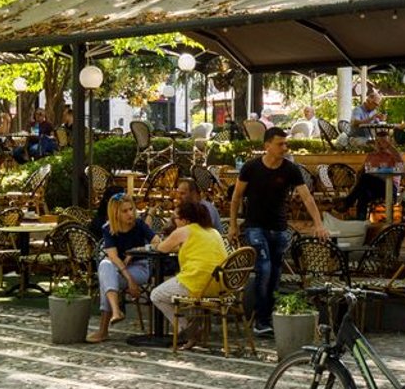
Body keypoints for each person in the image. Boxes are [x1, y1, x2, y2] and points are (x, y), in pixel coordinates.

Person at [227, 128, 327, 337]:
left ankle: (269, 316)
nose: (284, 148)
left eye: (285, 144)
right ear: (267, 146)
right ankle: (261, 320)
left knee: (275, 274)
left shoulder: (290, 169)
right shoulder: (251, 168)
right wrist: (233, 225)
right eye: (280, 144)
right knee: (264, 269)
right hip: (255, 226)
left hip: (279, 228)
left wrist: (318, 223)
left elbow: (307, 197)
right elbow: (236, 197)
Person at [148, 193, 227, 335]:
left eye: (175, 219)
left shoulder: (184, 231)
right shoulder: (213, 231)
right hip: (221, 286)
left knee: (156, 295)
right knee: (180, 287)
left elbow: (161, 248)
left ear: (185, 220)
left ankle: (185, 329)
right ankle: (193, 327)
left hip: (199, 283)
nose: (174, 222)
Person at [88, 193, 157, 343]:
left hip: (140, 267)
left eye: (131, 209)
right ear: (115, 213)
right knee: (105, 265)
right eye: (125, 211)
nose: (130, 214)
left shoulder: (139, 225)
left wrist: (137, 250)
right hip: (119, 268)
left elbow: (158, 243)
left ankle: (104, 329)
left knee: (107, 280)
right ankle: (115, 310)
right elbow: (113, 257)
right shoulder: (108, 228)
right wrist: (128, 279)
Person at [347, 127, 405, 219]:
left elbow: (402, 167)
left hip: (390, 188)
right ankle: (360, 222)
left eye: (384, 143)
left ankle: (348, 202)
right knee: (363, 193)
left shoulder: (395, 155)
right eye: (378, 143)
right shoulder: (371, 156)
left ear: (390, 143)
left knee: (366, 177)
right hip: (373, 188)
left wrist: (389, 148)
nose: (381, 145)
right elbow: (362, 172)